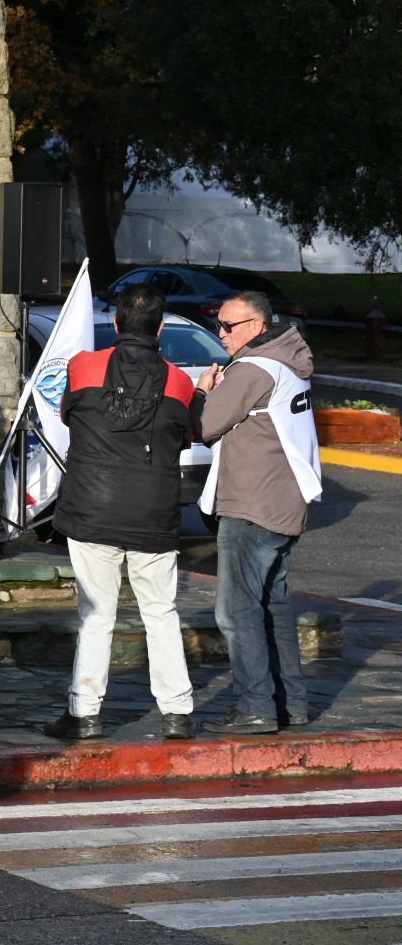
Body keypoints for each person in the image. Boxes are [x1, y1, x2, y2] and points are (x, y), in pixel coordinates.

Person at [42, 284, 199, 742]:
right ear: (162, 327)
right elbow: (185, 435)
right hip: (153, 513)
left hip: (92, 507)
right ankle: (177, 712)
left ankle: (84, 713)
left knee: (97, 614)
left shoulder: (82, 366)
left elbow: (69, 414)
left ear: (115, 324)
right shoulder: (181, 382)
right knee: (161, 611)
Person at [194, 290, 322, 735]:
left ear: (256, 326)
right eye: (218, 325)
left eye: (228, 326)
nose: (221, 334)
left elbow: (205, 426)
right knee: (273, 606)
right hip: (286, 502)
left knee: (236, 611)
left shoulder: (252, 369)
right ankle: (291, 705)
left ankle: (255, 708)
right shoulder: (289, 365)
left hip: (252, 504)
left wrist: (200, 393)